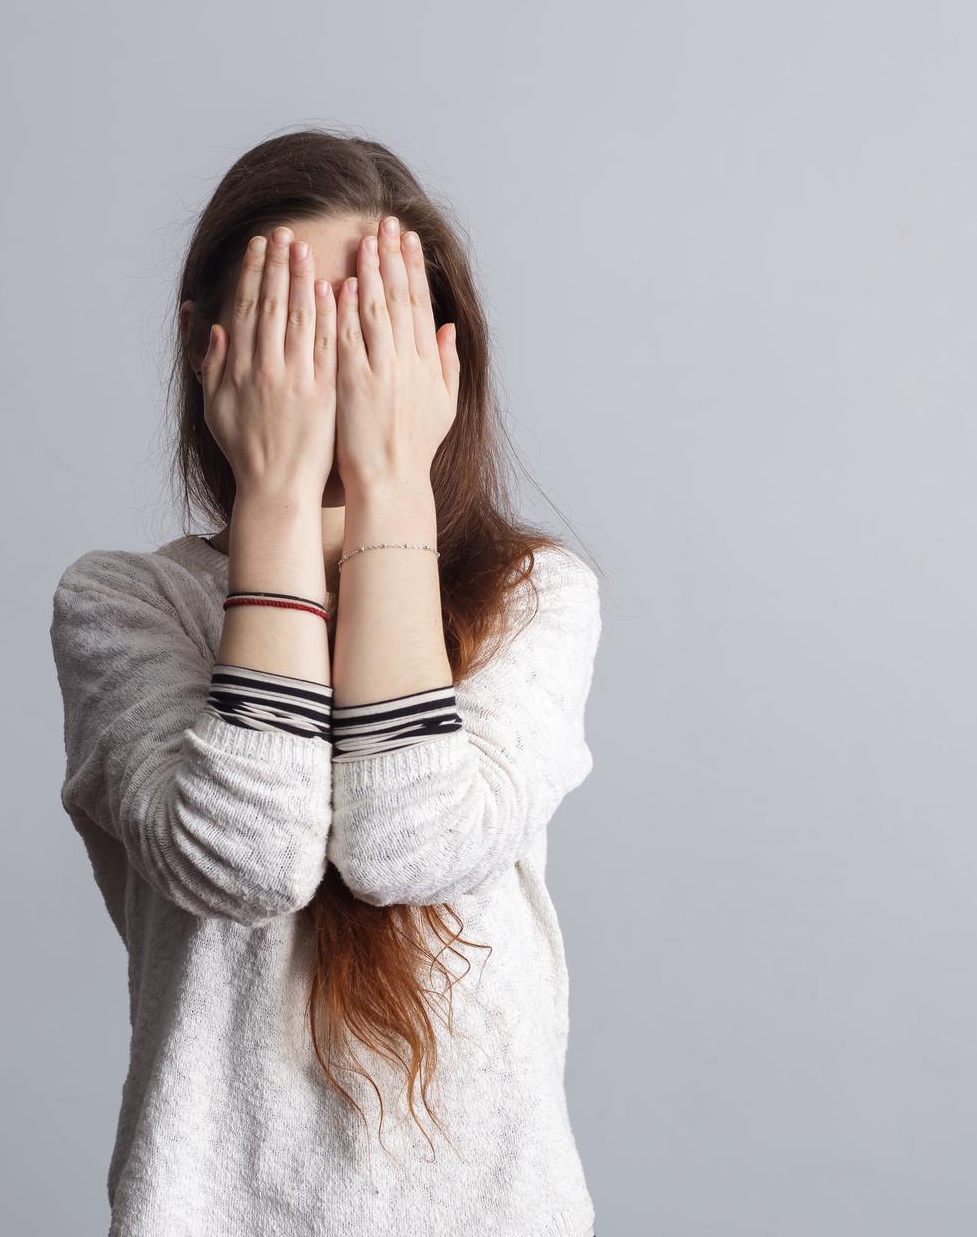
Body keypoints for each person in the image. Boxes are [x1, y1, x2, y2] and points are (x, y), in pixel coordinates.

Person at [49, 128, 604, 1237]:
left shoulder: (536, 597)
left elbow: (411, 844)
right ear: (207, 347)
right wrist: (276, 494)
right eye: (293, 324)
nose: (338, 369)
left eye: (374, 326)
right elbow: (246, 858)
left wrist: (394, 483)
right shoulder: (123, 604)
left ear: (440, 357)